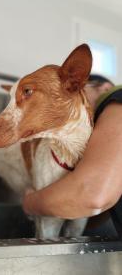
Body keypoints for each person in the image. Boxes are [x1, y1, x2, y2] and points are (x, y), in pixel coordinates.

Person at [23, 74, 122, 235]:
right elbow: (107, 201)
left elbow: (92, 195)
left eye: (76, 91)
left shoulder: (117, 100)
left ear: (105, 89)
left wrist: (29, 203)